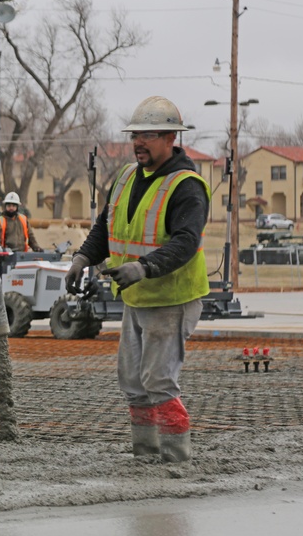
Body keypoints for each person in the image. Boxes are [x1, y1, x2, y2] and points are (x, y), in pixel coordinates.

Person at [65, 96, 210, 463]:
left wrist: (143, 267)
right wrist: (83, 258)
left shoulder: (186, 186)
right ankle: (145, 455)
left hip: (171, 298)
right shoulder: (127, 176)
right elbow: (105, 226)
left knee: (159, 380)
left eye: (148, 135)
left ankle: (176, 458)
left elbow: (186, 242)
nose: (139, 143)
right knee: (133, 382)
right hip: (137, 297)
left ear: (170, 139)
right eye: (136, 135)